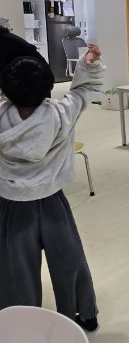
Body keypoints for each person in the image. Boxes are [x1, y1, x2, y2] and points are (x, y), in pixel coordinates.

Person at [0, 47, 103, 332]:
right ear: (48, 88)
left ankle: (20, 324)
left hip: (11, 204)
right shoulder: (61, 114)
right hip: (52, 202)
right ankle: (84, 312)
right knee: (69, 258)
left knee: (16, 269)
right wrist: (87, 64)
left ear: (6, 91)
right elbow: (83, 91)